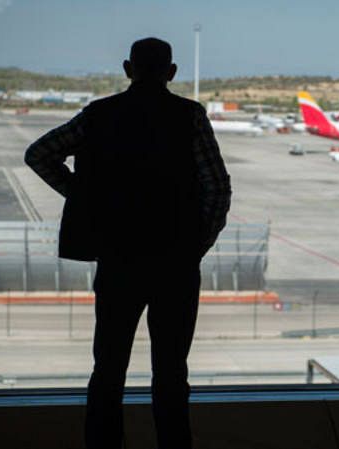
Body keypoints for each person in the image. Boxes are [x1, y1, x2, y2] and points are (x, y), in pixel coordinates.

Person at [25, 37, 231, 449]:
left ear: (127, 68)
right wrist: (197, 244)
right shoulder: (189, 116)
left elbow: (40, 154)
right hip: (175, 263)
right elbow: (217, 189)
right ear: (172, 73)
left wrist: (84, 197)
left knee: (108, 371)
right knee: (172, 374)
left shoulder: (99, 115)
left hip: (118, 260)